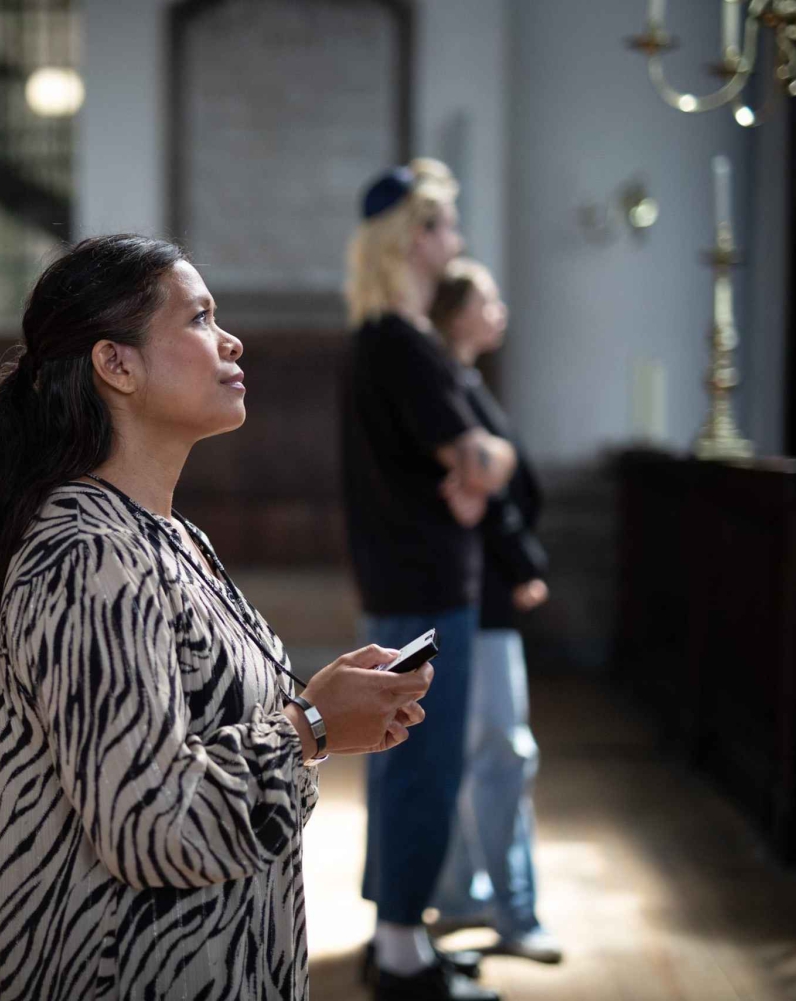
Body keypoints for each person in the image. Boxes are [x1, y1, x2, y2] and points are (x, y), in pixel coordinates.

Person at [0, 234, 434, 1000]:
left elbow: (212, 740)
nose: (232, 338)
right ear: (117, 364)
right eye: (201, 317)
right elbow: (154, 827)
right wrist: (311, 725)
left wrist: (329, 708)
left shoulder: (167, 534)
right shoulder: (87, 553)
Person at [342, 161, 518, 1001]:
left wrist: (479, 465)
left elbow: (473, 462)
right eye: (445, 224)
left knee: (402, 762)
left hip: (406, 575)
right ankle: (406, 957)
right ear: (414, 237)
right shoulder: (405, 345)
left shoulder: (383, 337)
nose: (456, 240)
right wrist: (489, 460)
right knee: (423, 767)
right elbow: (479, 456)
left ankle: (397, 936)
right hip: (425, 580)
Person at [428, 259, 562, 965]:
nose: (501, 309)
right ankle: (510, 909)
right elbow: (488, 495)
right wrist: (525, 566)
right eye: (489, 298)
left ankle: (463, 894)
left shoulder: (463, 382)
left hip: (478, 588)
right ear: (457, 314)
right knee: (505, 754)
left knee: (480, 751)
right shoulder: (450, 386)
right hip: (481, 590)